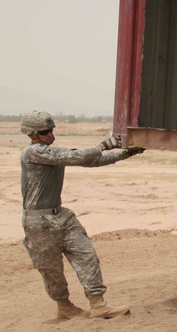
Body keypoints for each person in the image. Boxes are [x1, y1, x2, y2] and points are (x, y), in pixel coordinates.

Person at [20, 111, 143, 320]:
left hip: (61, 216)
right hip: (39, 222)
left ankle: (98, 304)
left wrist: (126, 154)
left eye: (51, 130)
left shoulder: (52, 154)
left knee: (86, 255)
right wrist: (105, 144)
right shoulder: (33, 152)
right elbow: (76, 156)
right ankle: (64, 306)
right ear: (32, 134)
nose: (50, 134)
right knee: (51, 269)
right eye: (44, 132)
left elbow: (90, 161)